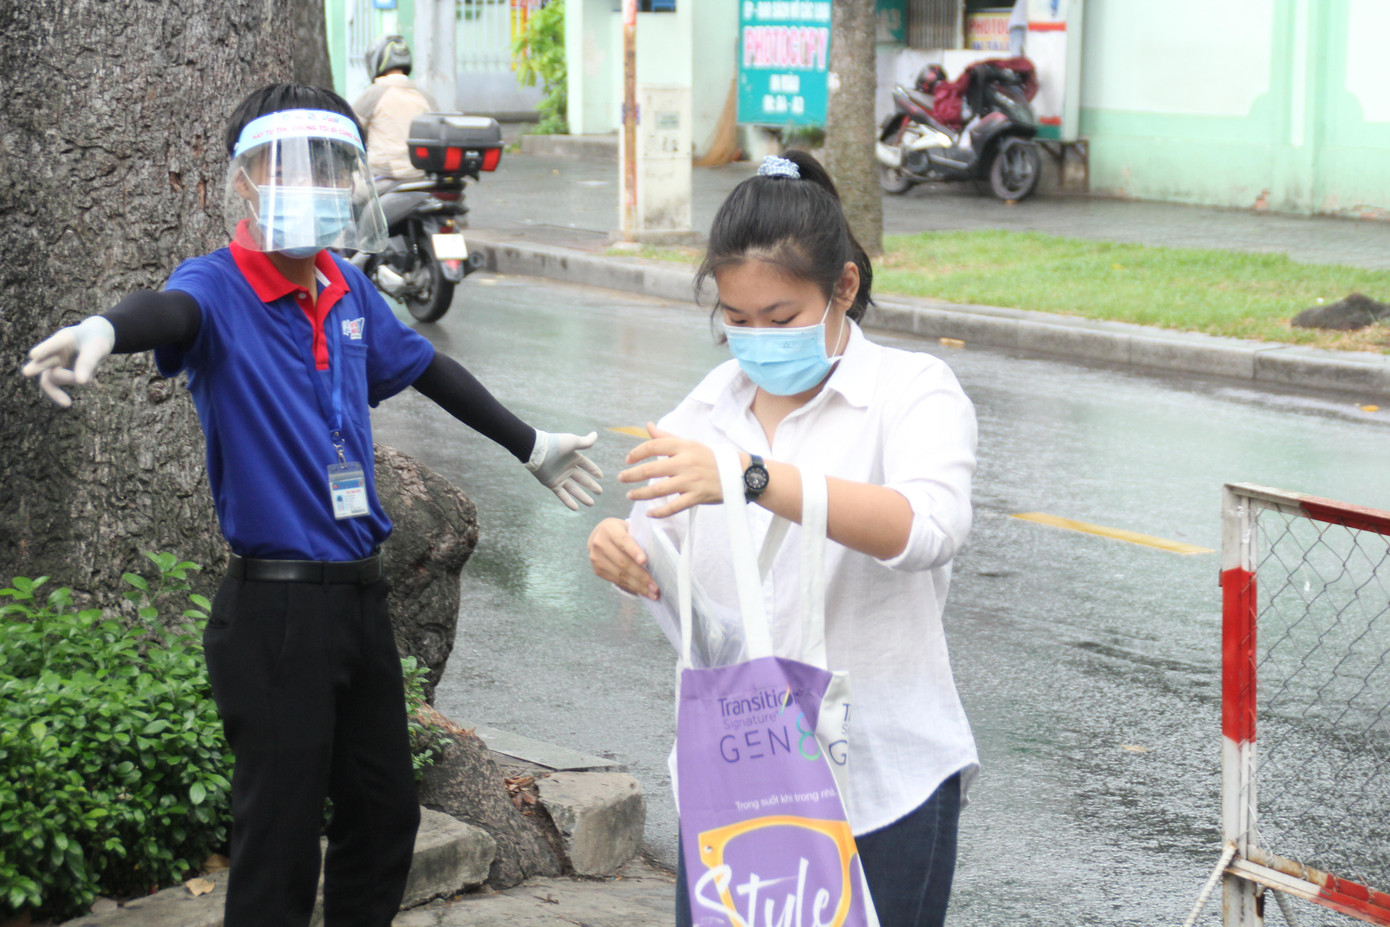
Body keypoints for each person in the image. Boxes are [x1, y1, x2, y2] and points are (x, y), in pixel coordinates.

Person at [22, 82, 602, 927]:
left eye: (330, 167)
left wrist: (529, 442)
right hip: (275, 611)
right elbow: (168, 310)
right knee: (280, 840)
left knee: (385, 813)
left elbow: (429, 369)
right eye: (283, 167)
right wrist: (108, 329)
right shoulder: (218, 288)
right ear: (244, 184)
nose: (311, 184)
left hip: (360, 599)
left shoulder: (346, 287)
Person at [587, 151, 979, 927]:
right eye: (736, 319)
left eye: (780, 318)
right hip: (737, 784)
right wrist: (621, 550)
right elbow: (661, 552)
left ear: (843, 289)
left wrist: (754, 475)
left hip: (879, 782)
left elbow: (928, 527)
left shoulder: (911, 392)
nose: (756, 338)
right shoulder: (707, 409)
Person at [353, 35, 435, 189]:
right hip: (421, 176)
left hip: (383, 176)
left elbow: (350, 128)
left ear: (376, 60)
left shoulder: (374, 93)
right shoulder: (424, 95)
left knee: (347, 198)